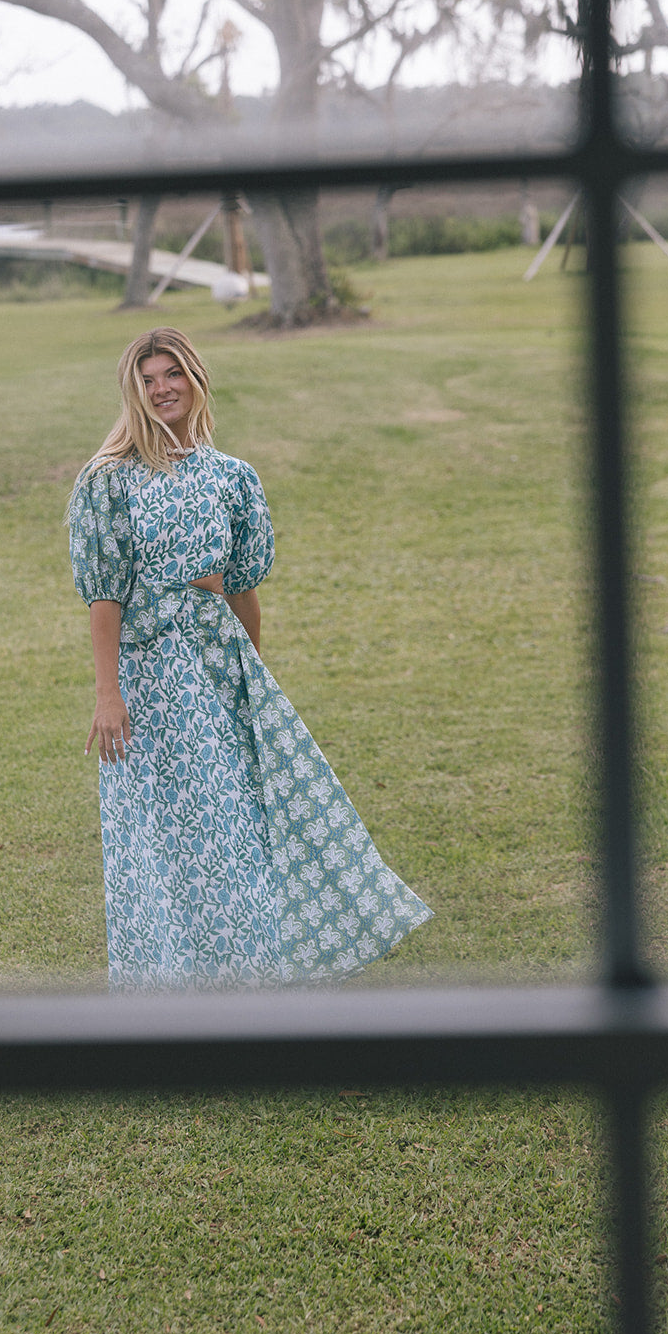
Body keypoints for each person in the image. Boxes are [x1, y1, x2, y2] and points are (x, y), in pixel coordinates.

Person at [68, 327, 432, 990]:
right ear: (132, 391)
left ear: (194, 379)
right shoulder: (108, 483)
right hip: (150, 678)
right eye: (147, 379)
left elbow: (243, 588)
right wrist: (107, 693)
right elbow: (103, 594)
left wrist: (252, 678)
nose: (161, 388)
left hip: (221, 670)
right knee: (164, 833)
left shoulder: (231, 477)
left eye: (171, 374)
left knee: (237, 828)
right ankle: (174, 985)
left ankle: (254, 975)